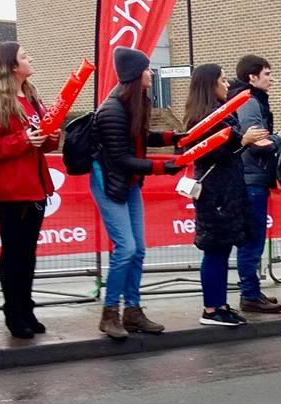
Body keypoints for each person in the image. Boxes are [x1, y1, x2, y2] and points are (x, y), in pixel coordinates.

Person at [92, 47, 185, 340]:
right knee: (126, 248)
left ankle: (132, 311)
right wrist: (161, 168)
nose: (150, 73)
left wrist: (173, 137)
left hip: (128, 182)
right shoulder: (111, 110)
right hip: (110, 182)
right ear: (134, 74)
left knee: (138, 249)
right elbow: (120, 157)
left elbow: (141, 136)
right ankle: (110, 313)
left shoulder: (135, 103)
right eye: (146, 69)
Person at [183, 64, 269, 326]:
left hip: (229, 190)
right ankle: (211, 309)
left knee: (223, 249)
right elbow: (210, 153)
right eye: (222, 80)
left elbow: (229, 152)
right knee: (215, 250)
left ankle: (220, 303)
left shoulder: (222, 114)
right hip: (215, 193)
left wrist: (243, 141)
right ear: (210, 85)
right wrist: (243, 141)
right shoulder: (201, 118)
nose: (227, 85)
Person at [0, 41, 59, 339]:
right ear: (12, 66)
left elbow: (42, 143)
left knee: (28, 252)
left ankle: (27, 308)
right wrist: (22, 140)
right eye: (24, 56)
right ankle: (13, 312)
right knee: (14, 251)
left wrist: (51, 137)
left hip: (35, 187)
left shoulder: (32, 97)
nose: (30, 59)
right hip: (8, 189)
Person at [228, 55, 281, 314]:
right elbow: (259, 142)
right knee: (252, 240)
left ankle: (252, 291)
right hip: (252, 179)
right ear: (252, 77)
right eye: (267, 74)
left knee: (253, 239)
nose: (271, 79)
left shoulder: (253, 100)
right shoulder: (250, 102)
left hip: (254, 177)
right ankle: (249, 294)